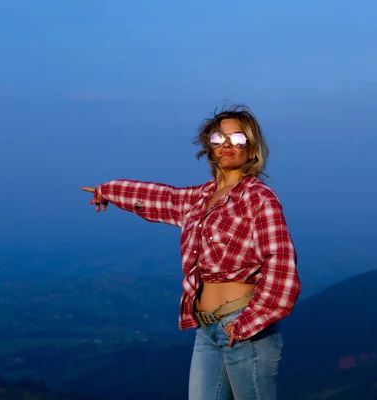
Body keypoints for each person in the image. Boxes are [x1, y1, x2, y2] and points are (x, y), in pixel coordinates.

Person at [81, 104, 301, 400]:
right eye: (219, 138)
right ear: (209, 147)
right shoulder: (199, 199)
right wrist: (106, 190)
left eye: (237, 140)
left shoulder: (259, 198)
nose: (227, 145)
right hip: (206, 329)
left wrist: (249, 322)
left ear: (252, 149)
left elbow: (282, 265)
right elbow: (160, 198)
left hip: (243, 329)